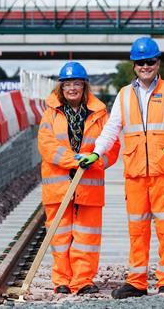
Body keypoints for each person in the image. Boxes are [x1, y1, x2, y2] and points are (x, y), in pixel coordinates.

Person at [79, 37, 164, 298]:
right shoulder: (124, 94)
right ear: (134, 65)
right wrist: (95, 153)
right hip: (135, 174)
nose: (146, 66)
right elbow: (112, 129)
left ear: (158, 63)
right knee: (137, 229)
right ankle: (137, 282)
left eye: (151, 61)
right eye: (141, 62)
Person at [38, 61, 120, 295]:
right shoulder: (50, 113)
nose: (72, 88)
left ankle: (83, 280)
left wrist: (95, 160)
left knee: (87, 238)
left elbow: (112, 146)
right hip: (58, 187)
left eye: (76, 83)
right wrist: (75, 160)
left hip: (88, 187)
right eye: (67, 84)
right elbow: (46, 145)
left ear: (84, 86)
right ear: (61, 88)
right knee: (60, 236)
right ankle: (62, 280)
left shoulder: (100, 114)